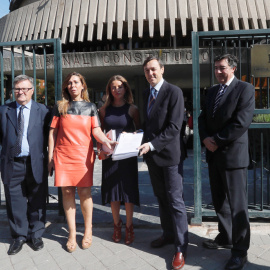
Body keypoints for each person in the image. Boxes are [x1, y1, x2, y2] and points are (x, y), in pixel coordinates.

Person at [48, 72, 116, 253]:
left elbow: (96, 130)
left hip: (82, 155)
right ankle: (71, 233)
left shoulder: (91, 107)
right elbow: (52, 133)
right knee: (67, 192)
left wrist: (106, 141)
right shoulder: (60, 106)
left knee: (85, 193)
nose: (72, 85)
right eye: (69, 83)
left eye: (76, 82)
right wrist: (50, 158)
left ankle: (88, 230)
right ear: (66, 87)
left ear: (82, 85)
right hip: (63, 155)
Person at [198, 54, 255, 270]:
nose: (218, 72)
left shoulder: (245, 89)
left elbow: (241, 122)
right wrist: (205, 139)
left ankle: (240, 252)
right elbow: (202, 117)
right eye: (216, 68)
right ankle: (226, 236)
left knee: (237, 205)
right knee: (219, 200)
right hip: (214, 154)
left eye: (222, 68)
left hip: (232, 155)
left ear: (233, 68)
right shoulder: (212, 91)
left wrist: (217, 141)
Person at [138, 56, 189, 270]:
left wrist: (151, 145)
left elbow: (174, 127)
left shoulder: (173, 92)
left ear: (162, 69)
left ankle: (181, 247)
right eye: (147, 71)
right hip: (152, 158)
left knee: (175, 200)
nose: (151, 74)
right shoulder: (145, 94)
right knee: (161, 197)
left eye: (154, 69)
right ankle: (168, 235)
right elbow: (146, 125)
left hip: (170, 156)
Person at [0, 75, 51, 255]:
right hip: (12, 163)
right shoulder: (4, 110)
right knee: (15, 201)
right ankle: (19, 236)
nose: (20, 92)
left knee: (37, 199)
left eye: (24, 89)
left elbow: (49, 137)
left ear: (32, 91)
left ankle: (36, 234)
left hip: (35, 162)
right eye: (17, 89)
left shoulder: (43, 110)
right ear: (13, 91)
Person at [98, 75, 140, 245]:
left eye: (120, 86)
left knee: (128, 192)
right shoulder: (103, 110)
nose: (117, 90)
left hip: (127, 157)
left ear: (126, 89)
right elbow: (99, 133)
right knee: (113, 193)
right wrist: (101, 149)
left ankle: (129, 226)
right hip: (110, 156)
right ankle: (117, 224)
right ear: (109, 90)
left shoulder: (132, 109)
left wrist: (130, 135)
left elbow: (140, 130)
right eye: (113, 87)